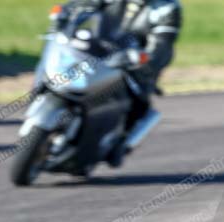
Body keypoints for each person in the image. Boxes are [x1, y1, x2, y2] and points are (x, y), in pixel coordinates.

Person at [48, 0, 182, 166]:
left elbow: (163, 44)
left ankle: (119, 142)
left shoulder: (166, 8)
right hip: (98, 51)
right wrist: (63, 14)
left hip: (134, 64)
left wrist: (144, 59)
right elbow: (81, 5)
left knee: (138, 102)